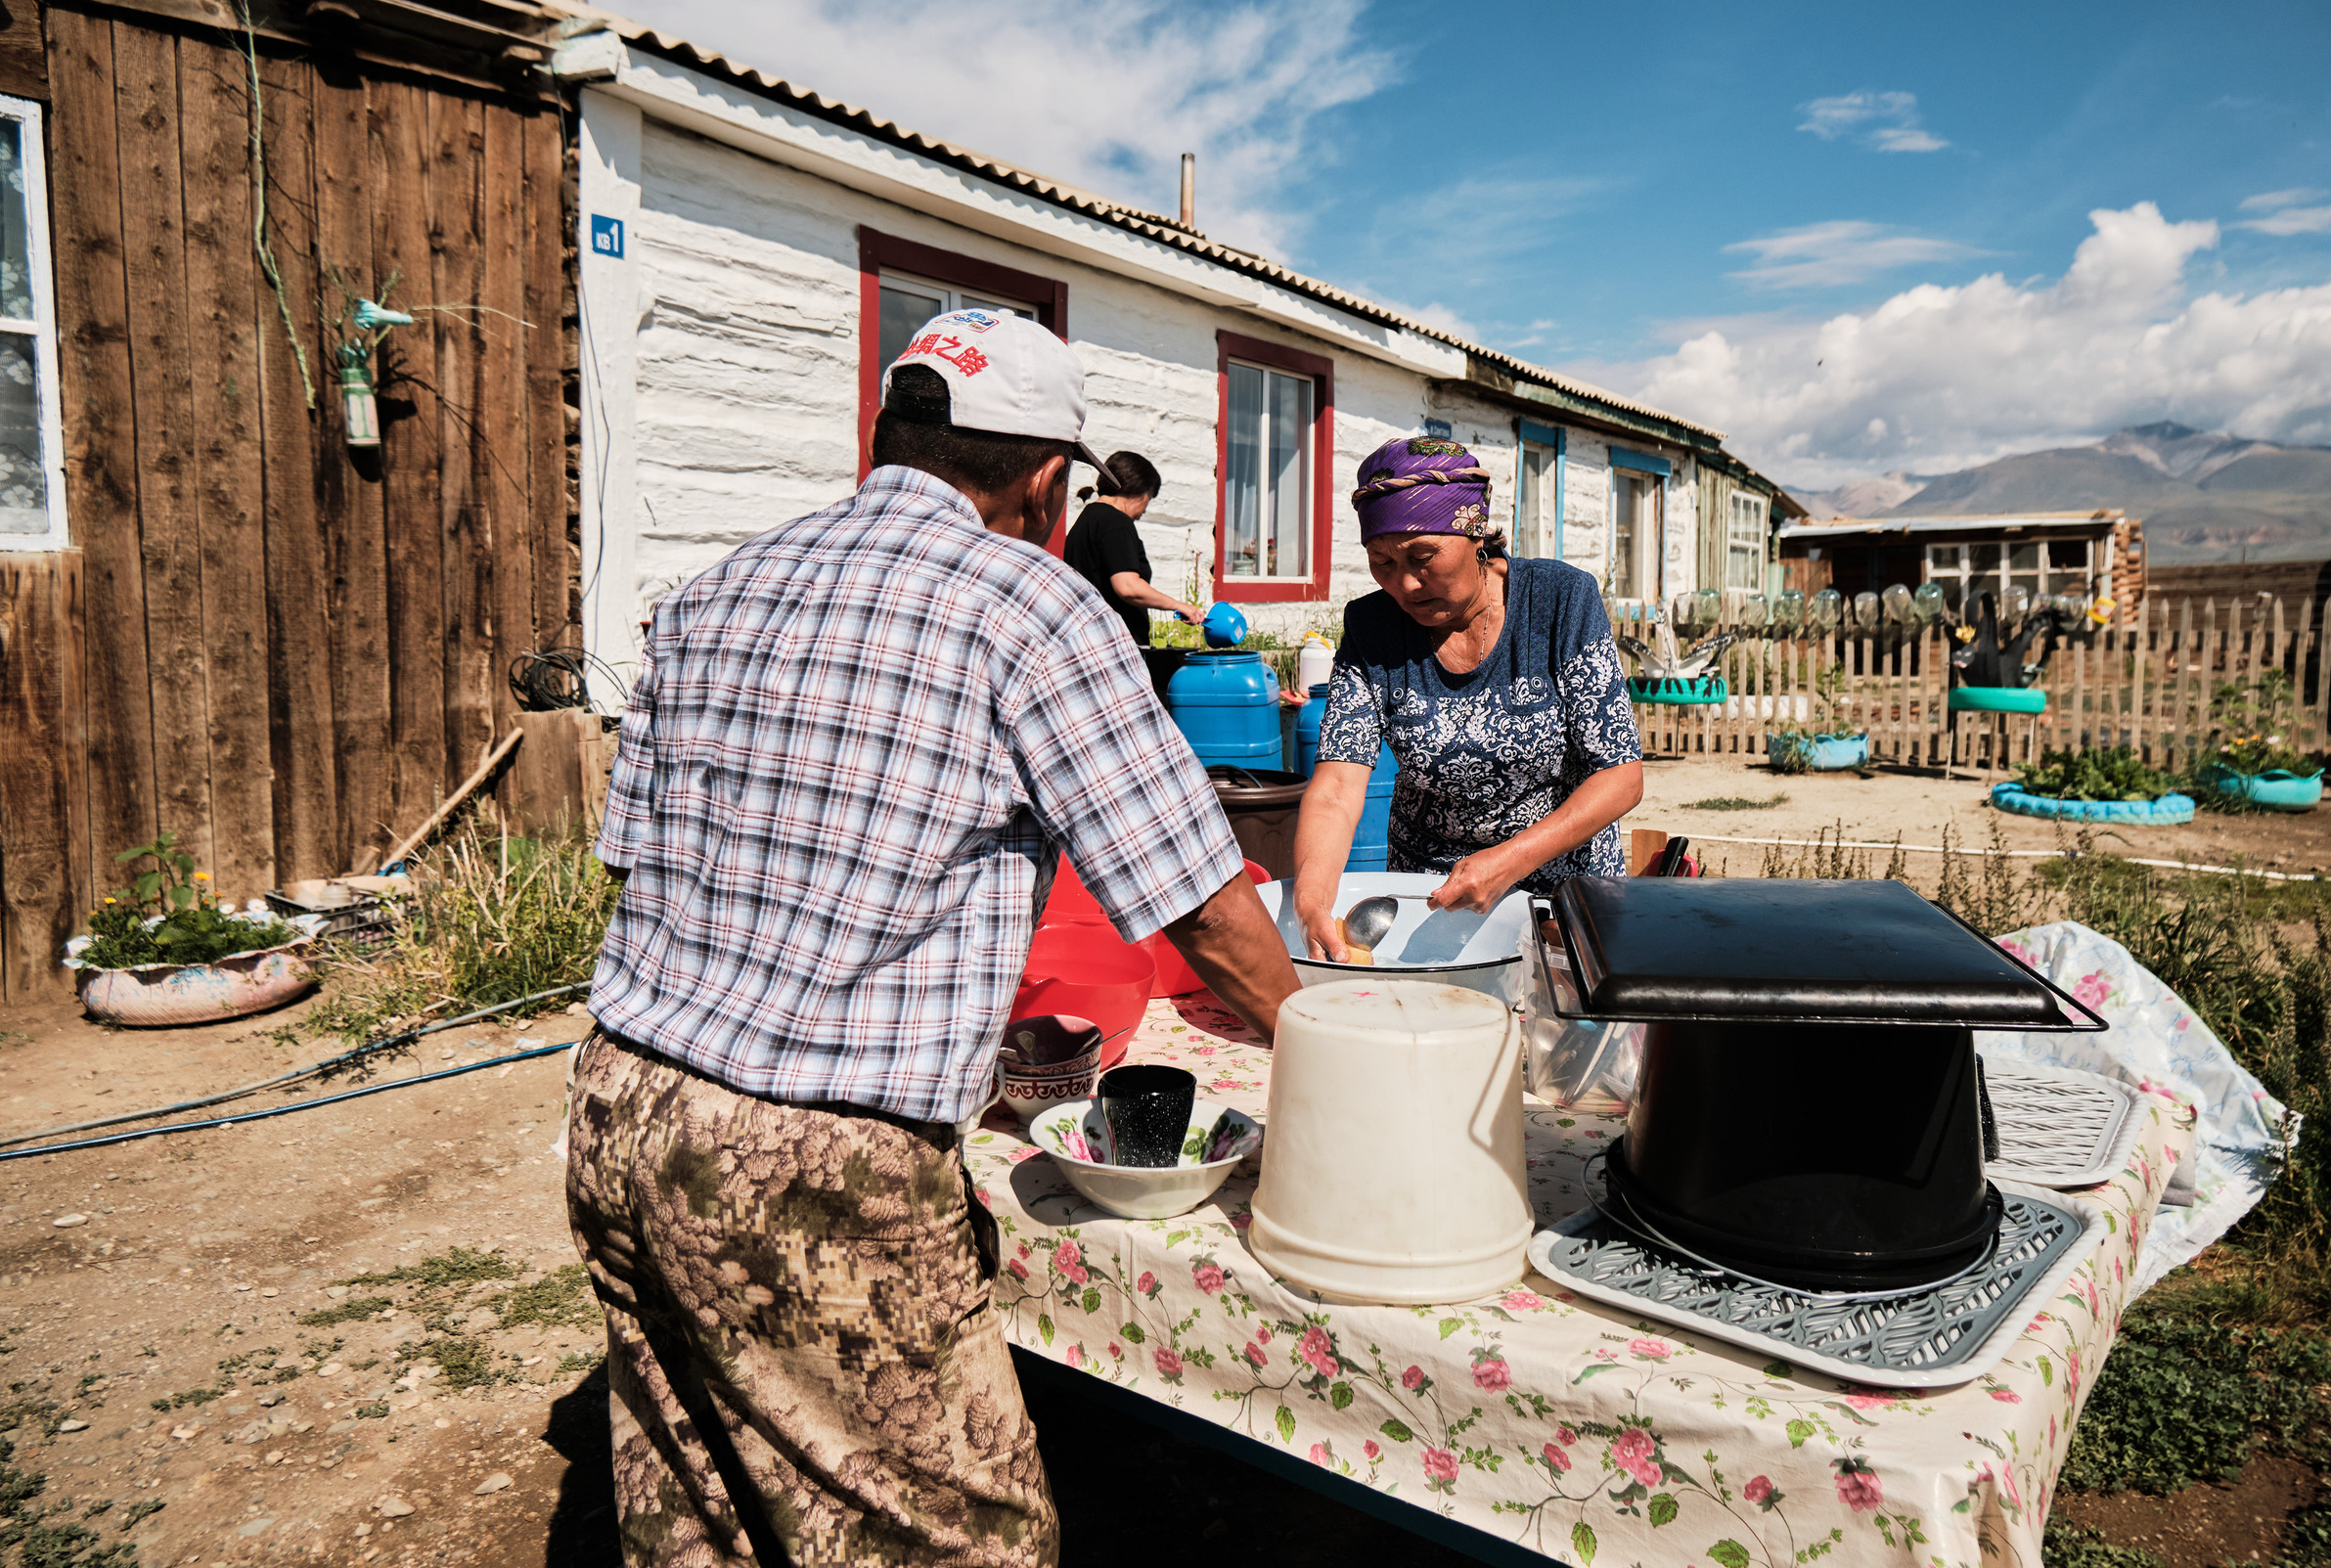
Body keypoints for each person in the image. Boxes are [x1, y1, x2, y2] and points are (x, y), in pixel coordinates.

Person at [568, 307, 1303, 1567]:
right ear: (1046, 481)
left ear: (889, 437)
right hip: (810, 1154)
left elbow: (638, 856)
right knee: (952, 1539)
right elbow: (1200, 900)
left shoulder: (711, 589)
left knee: (702, 1513)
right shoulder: (1033, 605)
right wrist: (1330, 1041)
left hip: (618, 1100)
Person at [1294, 435, 1644, 955]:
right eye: (1382, 562)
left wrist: (1509, 861)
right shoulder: (1372, 628)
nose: (1405, 584)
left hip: (1562, 899)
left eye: (1423, 556)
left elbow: (1619, 776)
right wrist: (1310, 906)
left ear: (1475, 532)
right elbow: (1336, 790)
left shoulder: (1559, 601)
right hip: (1427, 906)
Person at [1061, 451, 1204, 643]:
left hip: (1089, 639)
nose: (1144, 510)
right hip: (1114, 643)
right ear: (1139, 490)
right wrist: (1179, 606)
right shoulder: (1116, 522)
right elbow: (1128, 587)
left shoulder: (1087, 519)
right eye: (1149, 498)